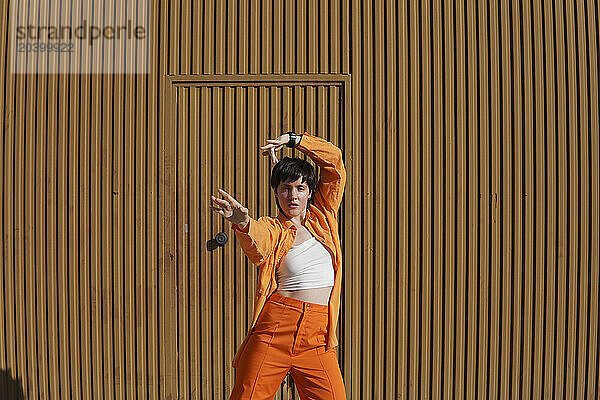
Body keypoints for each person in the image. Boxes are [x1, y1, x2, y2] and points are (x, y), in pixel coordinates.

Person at [210, 132, 347, 399]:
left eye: (300, 188)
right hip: (275, 331)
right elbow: (258, 245)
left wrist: (296, 140)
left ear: (310, 192)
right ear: (276, 192)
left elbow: (334, 163)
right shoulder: (273, 229)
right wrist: (243, 223)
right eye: (285, 188)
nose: (292, 196)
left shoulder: (324, 216)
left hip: (317, 339)